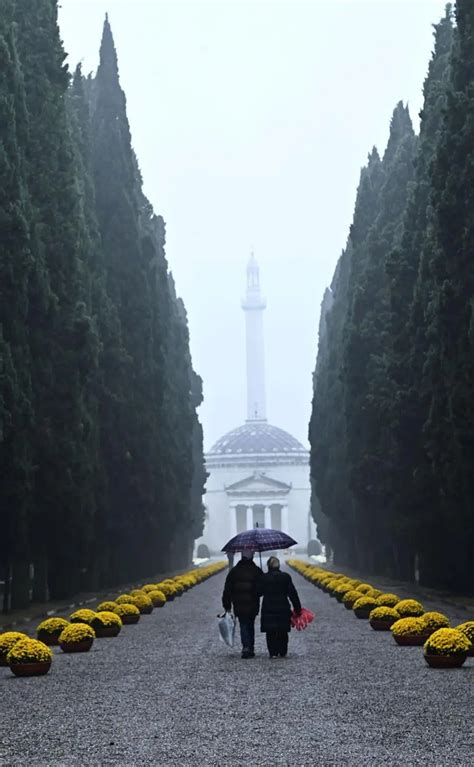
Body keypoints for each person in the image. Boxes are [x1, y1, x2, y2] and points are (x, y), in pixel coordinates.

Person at [222, 550, 263, 659]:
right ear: (252, 556)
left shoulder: (234, 571)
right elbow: (262, 589)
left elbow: (227, 589)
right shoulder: (257, 571)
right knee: (250, 624)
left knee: (243, 624)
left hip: (239, 604)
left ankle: (246, 647)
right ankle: (251, 647)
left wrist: (227, 605)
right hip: (253, 603)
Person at [259, 556, 301, 658]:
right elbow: (292, 594)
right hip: (283, 607)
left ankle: (273, 652)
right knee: (283, 630)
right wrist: (297, 608)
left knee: (270, 631)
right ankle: (283, 651)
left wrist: (260, 580)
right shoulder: (285, 577)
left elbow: (258, 592)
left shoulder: (264, 578)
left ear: (268, 566)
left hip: (268, 607)